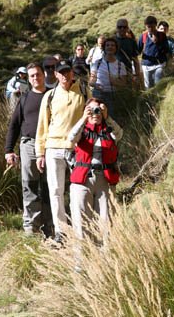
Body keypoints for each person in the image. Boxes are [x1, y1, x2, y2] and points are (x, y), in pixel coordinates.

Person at [35, 60, 90, 243]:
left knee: (79, 188)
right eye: (61, 72)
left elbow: (91, 117)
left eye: (68, 72)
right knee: (56, 190)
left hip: (76, 147)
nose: (65, 75)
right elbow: (42, 126)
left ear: (72, 73)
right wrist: (40, 153)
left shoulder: (83, 91)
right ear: (56, 75)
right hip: (53, 148)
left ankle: (82, 225)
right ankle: (61, 231)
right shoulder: (49, 96)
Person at [5, 62, 53, 237]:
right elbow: (14, 125)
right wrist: (9, 150)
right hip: (29, 146)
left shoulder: (53, 95)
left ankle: (50, 226)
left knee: (50, 187)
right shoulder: (24, 98)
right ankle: (31, 229)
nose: (35, 78)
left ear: (44, 75)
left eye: (38, 74)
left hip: (51, 146)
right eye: (32, 75)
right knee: (30, 186)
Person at [68, 97, 123, 242]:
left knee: (106, 225)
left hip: (104, 181)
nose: (95, 113)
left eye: (98, 110)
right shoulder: (82, 130)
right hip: (82, 180)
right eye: (91, 110)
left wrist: (107, 117)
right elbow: (71, 138)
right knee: (81, 225)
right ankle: (80, 262)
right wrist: (83, 118)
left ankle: (105, 261)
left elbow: (119, 134)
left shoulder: (109, 130)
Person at [89, 37, 129, 118]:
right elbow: (91, 81)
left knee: (111, 118)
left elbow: (124, 83)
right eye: (107, 45)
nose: (110, 47)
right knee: (96, 117)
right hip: (98, 94)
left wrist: (114, 82)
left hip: (113, 96)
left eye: (112, 45)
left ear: (116, 48)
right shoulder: (97, 63)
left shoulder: (120, 65)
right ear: (104, 48)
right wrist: (96, 85)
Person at [138, 15, 168, 89]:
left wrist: (157, 43)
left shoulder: (162, 35)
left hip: (159, 64)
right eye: (149, 27)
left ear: (155, 25)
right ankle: (150, 99)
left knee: (158, 84)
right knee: (148, 86)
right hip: (146, 65)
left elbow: (166, 49)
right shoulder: (143, 36)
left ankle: (159, 98)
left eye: (152, 26)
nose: (151, 29)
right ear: (146, 26)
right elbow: (138, 50)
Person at [115, 18, 141, 87]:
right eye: (120, 27)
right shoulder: (111, 41)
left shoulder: (131, 42)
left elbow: (135, 59)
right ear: (116, 28)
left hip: (128, 73)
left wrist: (137, 75)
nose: (122, 29)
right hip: (114, 73)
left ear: (127, 28)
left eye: (124, 27)